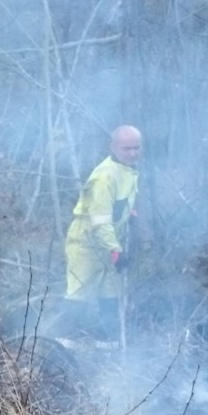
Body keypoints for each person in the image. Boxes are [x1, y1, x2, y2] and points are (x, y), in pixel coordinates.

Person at [62, 124, 142, 341]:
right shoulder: (105, 176)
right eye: (127, 149)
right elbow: (100, 221)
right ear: (113, 147)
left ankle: (107, 346)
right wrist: (115, 250)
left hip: (108, 243)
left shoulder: (128, 169)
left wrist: (128, 213)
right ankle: (62, 348)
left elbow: (117, 202)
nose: (133, 153)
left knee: (111, 295)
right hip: (87, 243)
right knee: (78, 295)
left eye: (136, 148)